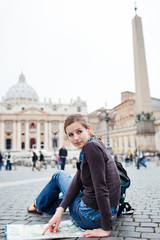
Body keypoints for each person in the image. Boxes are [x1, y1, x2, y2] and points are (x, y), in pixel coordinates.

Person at [27, 114, 121, 238]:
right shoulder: (96, 143)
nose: (75, 138)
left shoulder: (90, 148)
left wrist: (105, 229)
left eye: (79, 132)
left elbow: (101, 188)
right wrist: (60, 211)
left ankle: (38, 205)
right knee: (70, 185)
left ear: (88, 129)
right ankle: (47, 207)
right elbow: (77, 181)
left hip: (88, 217)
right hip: (110, 213)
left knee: (59, 175)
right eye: (70, 135)